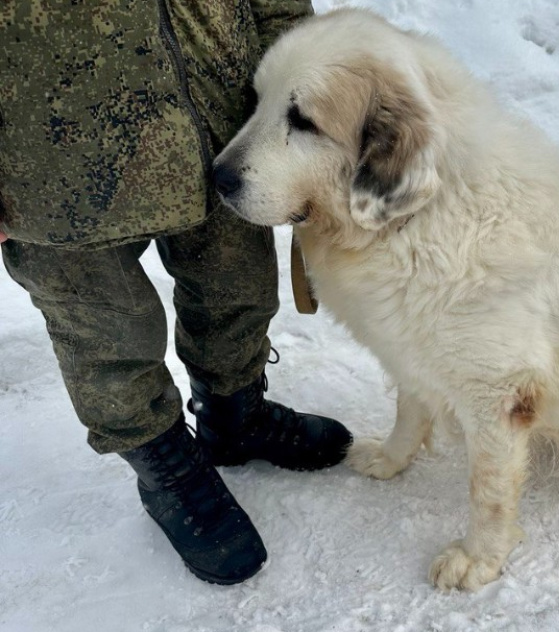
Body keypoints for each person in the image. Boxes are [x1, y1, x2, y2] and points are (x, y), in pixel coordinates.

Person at [0, 1, 352, 585]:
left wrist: (305, 88)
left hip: (220, 120)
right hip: (45, 165)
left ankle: (234, 417)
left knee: (238, 290)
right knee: (107, 332)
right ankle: (165, 467)